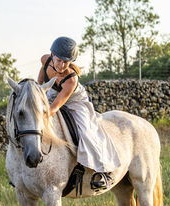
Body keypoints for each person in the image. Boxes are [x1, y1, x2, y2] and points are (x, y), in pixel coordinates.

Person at [37, 36, 121, 190]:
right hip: (52, 94)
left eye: (66, 62)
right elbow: (39, 85)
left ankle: (104, 171)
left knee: (86, 131)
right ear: (52, 55)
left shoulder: (71, 79)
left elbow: (55, 108)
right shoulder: (45, 60)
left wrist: (42, 117)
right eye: (59, 60)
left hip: (75, 100)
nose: (62, 65)